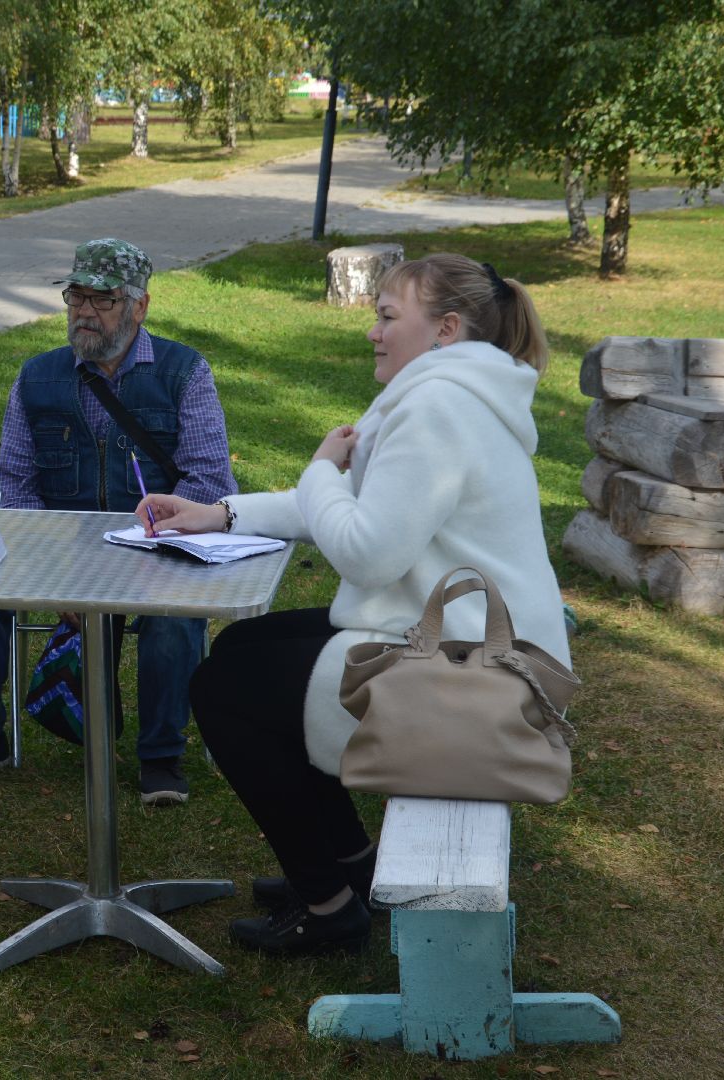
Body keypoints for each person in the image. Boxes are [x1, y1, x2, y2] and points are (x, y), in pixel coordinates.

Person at [139, 253, 569, 955]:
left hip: (482, 679)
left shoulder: (437, 408)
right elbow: (355, 507)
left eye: (387, 316)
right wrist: (217, 514)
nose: (372, 331)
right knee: (242, 652)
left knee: (223, 690)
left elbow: (367, 550)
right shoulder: (448, 391)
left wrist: (317, 471)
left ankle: (328, 904)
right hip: (472, 646)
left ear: (445, 328)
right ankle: (348, 864)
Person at [0, 238, 237, 806]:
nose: (83, 311)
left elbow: (208, 483)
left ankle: (160, 755)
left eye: (101, 300)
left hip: (157, 547)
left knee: (175, 618)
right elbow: (17, 485)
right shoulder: (36, 377)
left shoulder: (184, 373)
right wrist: (56, 572)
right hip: (61, 550)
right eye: (76, 296)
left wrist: (157, 542)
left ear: (140, 306)